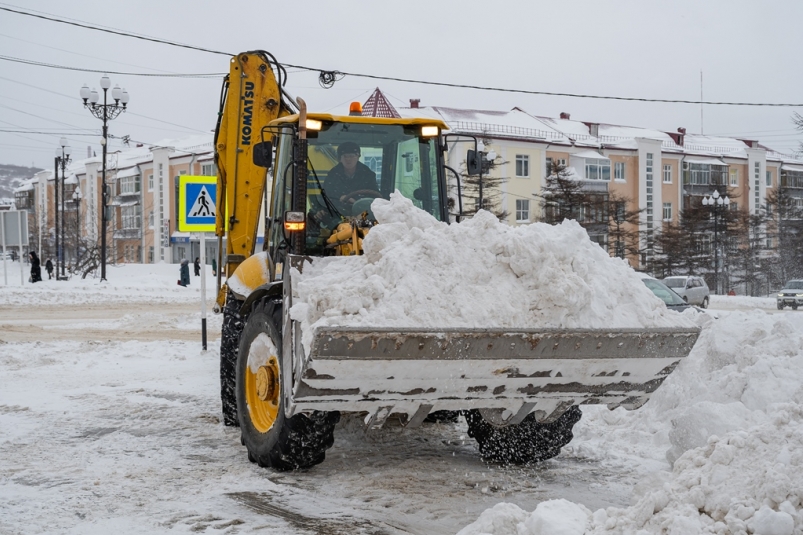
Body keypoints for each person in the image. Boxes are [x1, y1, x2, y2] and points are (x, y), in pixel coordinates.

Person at [325, 142, 378, 213]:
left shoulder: (368, 175)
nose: (348, 159)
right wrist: (339, 199)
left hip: (363, 214)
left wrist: (357, 201)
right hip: (338, 213)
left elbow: (374, 197)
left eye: (352, 156)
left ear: (358, 157)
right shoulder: (332, 175)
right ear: (340, 158)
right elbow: (325, 197)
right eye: (345, 156)